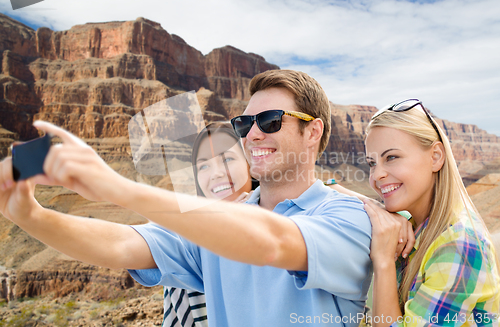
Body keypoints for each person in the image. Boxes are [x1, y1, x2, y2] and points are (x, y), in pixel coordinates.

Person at [0, 69, 377, 326]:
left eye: (270, 120)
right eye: (244, 124)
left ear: (313, 133)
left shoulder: (347, 216)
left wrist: (113, 186)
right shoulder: (212, 226)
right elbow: (121, 244)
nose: (253, 135)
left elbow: (272, 243)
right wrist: (31, 215)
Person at [363, 99, 500, 326]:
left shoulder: (460, 244)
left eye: (392, 157)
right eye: (371, 163)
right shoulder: (417, 225)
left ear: (435, 157)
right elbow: (334, 190)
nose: (377, 175)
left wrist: (384, 261)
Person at [162, 122, 253, 327]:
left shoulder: (289, 222)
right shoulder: (189, 251)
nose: (216, 174)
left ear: (250, 164)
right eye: (203, 165)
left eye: (227, 159)